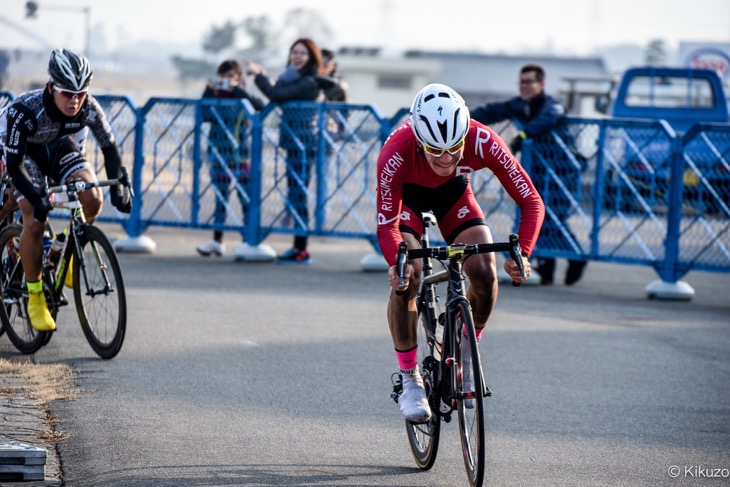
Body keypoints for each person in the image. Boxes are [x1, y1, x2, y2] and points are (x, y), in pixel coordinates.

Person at [377, 83, 544, 422]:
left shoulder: (483, 139)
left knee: (484, 269)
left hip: (453, 194)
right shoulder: (396, 151)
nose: (445, 158)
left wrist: (523, 253)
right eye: (434, 150)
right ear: (418, 140)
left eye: (454, 148)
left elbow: (531, 201)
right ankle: (410, 380)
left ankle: (467, 352)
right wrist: (397, 262)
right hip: (407, 198)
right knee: (411, 275)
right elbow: (386, 225)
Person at [0, 48, 132, 332]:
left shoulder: (88, 107)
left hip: (57, 147)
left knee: (92, 198)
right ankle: (35, 297)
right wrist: (36, 199)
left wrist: (120, 186)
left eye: (80, 93)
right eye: (67, 93)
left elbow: (109, 148)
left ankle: (64, 250)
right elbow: (14, 165)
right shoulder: (26, 111)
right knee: (34, 219)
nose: (74, 101)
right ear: (51, 87)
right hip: (19, 154)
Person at [470, 64, 587, 286]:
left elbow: (547, 119)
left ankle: (576, 257)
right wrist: (462, 118)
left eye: (529, 81)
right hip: (539, 171)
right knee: (541, 218)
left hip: (562, 172)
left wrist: (521, 136)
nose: (524, 86)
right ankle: (548, 270)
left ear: (541, 84)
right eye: (521, 81)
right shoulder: (520, 105)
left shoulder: (552, 105)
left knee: (554, 219)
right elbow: (492, 110)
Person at [246, 38, 334, 264]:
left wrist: (258, 76)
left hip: (304, 144)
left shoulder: (310, 81)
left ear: (311, 57)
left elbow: (276, 94)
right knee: (295, 194)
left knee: (298, 195)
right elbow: (277, 91)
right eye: (294, 52)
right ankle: (298, 245)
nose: (297, 56)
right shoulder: (292, 77)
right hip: (293, 144)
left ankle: (301, 248)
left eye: (302, 53)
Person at [196, 59, 265, 257]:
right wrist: (210, 89)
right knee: (220, 199)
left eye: (231, 76)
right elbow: (203, 112)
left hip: (241, 157)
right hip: (219, 156)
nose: (227, 80)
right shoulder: (215, 97)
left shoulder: (241, 97)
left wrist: (236, 90)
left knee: (245, 199)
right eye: (223, 77)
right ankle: (217, 241)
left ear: (239, 78)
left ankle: (247, 240)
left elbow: (258, 105)